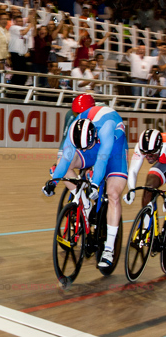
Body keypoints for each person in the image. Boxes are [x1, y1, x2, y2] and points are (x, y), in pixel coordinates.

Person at [43, 103, 128, 269]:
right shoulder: (75, 126)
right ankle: (83, 200)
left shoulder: (106, 128)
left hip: (114, 151)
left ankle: (109, 249)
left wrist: (95, 185)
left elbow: (102, 159)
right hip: (90, 145)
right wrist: (52, 183)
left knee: (113, 194)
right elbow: (66, 158)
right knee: (63, 164)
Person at [124, 129, 166, 207]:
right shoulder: (141, 147)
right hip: (163, 162)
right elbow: (133, 171)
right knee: (149, 186)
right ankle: (145, 217)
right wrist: (131, 190)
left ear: (160, 147)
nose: (148, 157)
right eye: (145, 154)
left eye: (151, 153)